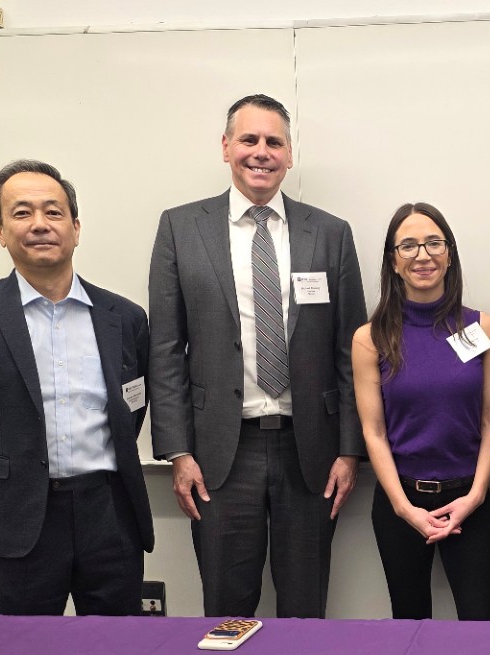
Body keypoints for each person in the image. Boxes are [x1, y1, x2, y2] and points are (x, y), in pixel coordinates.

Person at [148, 93, 367, 618]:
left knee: (305, 607)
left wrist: (348, 450)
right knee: (226, 608)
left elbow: (350, 348)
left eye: (274, 141)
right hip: (221, 454)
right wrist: (178, 452)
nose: (261, 152)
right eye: (249, 139)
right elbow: (165, 350)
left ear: (290, 154)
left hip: (309, 450)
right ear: (226, 147)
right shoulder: (181, 228)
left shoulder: (331, 234)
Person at [0, 159, 154, 615]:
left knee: (118, 654)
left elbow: (131, 408)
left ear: (75, 228)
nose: (39, 224)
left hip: (109, 513)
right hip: (18, 517)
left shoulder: (124, 318)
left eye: (53, 212)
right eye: (22, 213)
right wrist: (11, 466)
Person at [352, 203, 490, 620]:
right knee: (410, 624)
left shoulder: (482, 328)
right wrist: (404, 509)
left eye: (434, 242)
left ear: (449, 254)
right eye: (409, 245)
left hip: (469, 500)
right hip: (400, 502)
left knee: (480, 625)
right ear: (393, 261)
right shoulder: (370, 338)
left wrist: (474, 497)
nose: (423, 255)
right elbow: (374, 432)